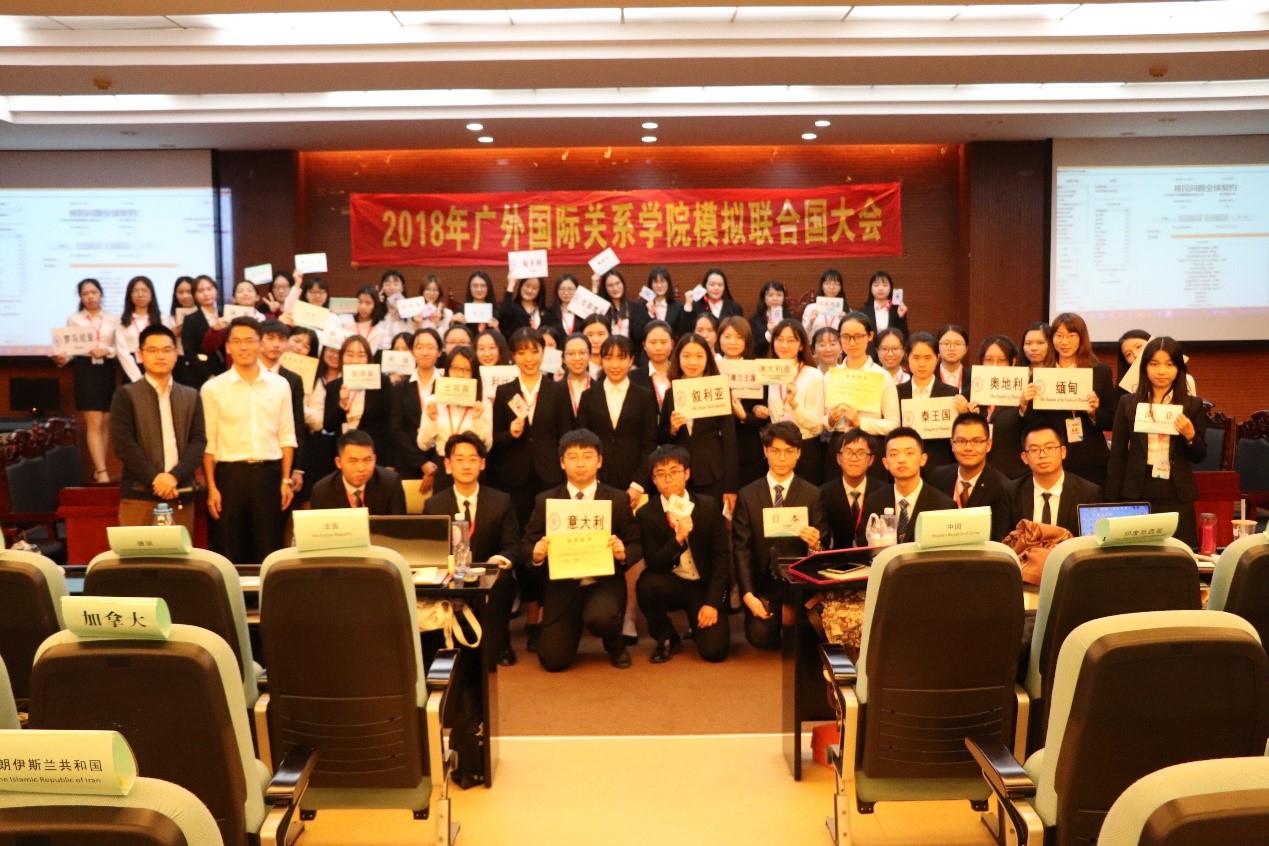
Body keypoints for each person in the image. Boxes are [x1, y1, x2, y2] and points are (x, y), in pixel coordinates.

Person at [525, 429, 643, 671]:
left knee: (602, 617)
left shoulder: (617, 499)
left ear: (599, 461)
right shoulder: (546, 500)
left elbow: (636, 544)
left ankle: (615, 644)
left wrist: (623, 553)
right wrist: (536, 555)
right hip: (563, 587)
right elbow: (526, 544)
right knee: (553, 662)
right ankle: (570, 628)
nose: (580, 464)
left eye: (588, 456)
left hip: (603, 586)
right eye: (573, 457)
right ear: (562, 462)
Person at [492, 327, 573, 652]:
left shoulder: (557, 390)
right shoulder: (505, 392)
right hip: (516, 480)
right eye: (521, 352)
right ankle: (532, 614)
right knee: (526, 547)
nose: (528, 358)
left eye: (534, 351)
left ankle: (550, 615)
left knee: (550, 545)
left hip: (550, 477)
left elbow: (567, 435)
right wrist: (509, 434)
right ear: (513, 356)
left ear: (543, 353)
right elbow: (494, 441)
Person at [200, 317, 297, 564]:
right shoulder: (213, 388)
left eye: (250, 341)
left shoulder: (280, 385)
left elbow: (287, 436)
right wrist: (212, 487)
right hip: (229, 478)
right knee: (229, 551)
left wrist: (286, 480)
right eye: (236, 341)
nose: (243, 347)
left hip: (269, 476)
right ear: (228, 347)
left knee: (269, 550)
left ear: (261, 344)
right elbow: (209, 443)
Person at [424, 432, 522, 666]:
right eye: (459, 459)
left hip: (487, 573)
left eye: (472, 459)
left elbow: (513, 546)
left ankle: (500, 642)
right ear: (448, 465)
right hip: (451, 576)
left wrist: (498, 561)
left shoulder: (501, 501)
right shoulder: (434, 505)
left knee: (504, 579)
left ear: (482, 463)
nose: (466, 465)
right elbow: (430, 552)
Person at [732, 421, 828, 650]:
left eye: (788, 451)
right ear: (765, 451)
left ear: (798, 453)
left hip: (798, 582)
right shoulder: (747, 495)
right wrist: (748, 594)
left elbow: (824, 545)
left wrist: (815, 545)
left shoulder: (813, 494)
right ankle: (781, 617)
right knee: (760, 637)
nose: (782, 458)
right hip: (764, 582)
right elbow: (742, 549)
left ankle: (793, 615)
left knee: (806, 637)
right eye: (775, 451)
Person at [1106, 337, 1206, 548]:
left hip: (1176, 491)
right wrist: (1111, 500)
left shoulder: (1192, 405)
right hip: (1137, 490)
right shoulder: (1128, 404)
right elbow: (1117, 455)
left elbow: (1200, 456)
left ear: (1179, 368)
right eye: (1154, 364)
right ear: (1145, 367)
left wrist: (1190, 436)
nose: (1162, 371)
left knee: (1180, 553)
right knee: (1137, 555)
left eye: (1169, 364)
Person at [635, 445, 731, 664]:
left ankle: (698, 624)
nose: (668, 479)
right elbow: (654, 562)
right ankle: (666, 636)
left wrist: (712, 603)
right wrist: (677, 539)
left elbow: (722, 560)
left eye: (674, 471)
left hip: (703, 585)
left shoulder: (707, 506)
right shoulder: (647, 513)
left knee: (714, 652)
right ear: (653, 479)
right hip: (672, 582)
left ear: (687, 473)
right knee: (646, 585)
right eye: (660, 474)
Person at [109, 325, 206, 530]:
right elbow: (123, 444)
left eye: (166, 350)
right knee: (137, 552)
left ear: (176, 354)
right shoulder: (125, 395)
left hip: (180, 494)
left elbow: (198, 443)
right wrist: (156, 479)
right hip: (139, 495)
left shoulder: (191, 396)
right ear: (140, 355)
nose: (160, 356)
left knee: (179, 552)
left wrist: (174, 477)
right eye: (152, 350)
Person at [658, 333, 739, 512]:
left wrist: (731, 487)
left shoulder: (719, 391)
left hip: (712, 474)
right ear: (678, 358)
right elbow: (661, 438)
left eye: (699, 356)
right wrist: (673, 429)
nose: (692, 362)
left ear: (707, 359)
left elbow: (730, 441)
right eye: (686, 356)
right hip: (679, 475)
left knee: (711, 523)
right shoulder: (671, 394)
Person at [575, 335, 658, 509]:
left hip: (635, 483)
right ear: (601, 360)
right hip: (597, 482)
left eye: (621, 358)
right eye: (608, 358)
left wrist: (638, 484)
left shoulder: (645, 397)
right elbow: (583, 443)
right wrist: (592, 480)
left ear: (631, 360)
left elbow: (649, 444)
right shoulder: (588, 396)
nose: (614, 365)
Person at [54, 278, 121, 483]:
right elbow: (69, 350)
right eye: (85, 294)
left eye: (94, 292)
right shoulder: (74, 319)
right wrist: (62, 358)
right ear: (81, 297)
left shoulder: (113, 318)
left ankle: (100, 469)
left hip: (107, 369)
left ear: (101, 294)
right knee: (94, 420)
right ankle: (102, 471)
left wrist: (107, 350)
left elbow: (121, 346)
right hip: (85, 369)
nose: (90, 297)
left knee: (106, 420)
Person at [1042, 312, 1117, 489]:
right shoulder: (1043, 373)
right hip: (1053, 456)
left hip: (1090, 458)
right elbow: (1034, 419)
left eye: (1071, 336)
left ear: (1082, 338)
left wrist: (1094, 413)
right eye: (1059, 336)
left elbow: (1112, 419)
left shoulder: (1099, 371)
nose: (1064, 342)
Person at [855, 427, 956, 547]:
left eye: (909, 453)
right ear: (885, 463)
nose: (901, 460)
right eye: (894, 454)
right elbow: (862, 547)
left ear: (923, 459)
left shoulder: (943, 506)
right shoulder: (873, 502)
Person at [929, 412, 1016, 542]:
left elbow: (1000, 540)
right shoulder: (938, 477)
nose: (968, 447)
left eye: (976, 441)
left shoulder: (1003, 488)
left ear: (988, 445)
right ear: (952, 444)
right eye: (961, 441)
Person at [417, 345, 493, 492]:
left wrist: (477, 419)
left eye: (466, 370)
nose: (460, 374)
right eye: (455, 368)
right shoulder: (434, 401)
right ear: (447, 370)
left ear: (474, 373)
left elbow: (487, 446)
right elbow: (423, 445)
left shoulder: (483, 403)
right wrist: (431, 420)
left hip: (472, 468)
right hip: (444, 467)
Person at [1009, 422, 1103, 537]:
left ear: (1063, 452)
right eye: (1034, 450)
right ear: (1024, 457)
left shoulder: (1088, 493)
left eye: (1049, 448)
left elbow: (1091, 541)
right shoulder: (1012, 492)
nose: (1042, 455)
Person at [762, 319, 825, 484]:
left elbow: (817, 426)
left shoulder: (813, 376)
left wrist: (794, 405)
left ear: (802, 345)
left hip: (805, 448)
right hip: (775, 447)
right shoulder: (769, 373)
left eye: (791, 340)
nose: (784, 345)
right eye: (779, 339)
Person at [323, 334, 400, 470]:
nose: (355, 360)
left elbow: (391, 422)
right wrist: (341, 405)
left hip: (375, 454)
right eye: (349, 355)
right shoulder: (334, 386)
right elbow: (328, 425)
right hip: (345, 455)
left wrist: (391, 461)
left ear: (368, 359)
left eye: (360, 355)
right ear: (342, 358)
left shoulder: (381, 382)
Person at [896, 331, 965, 471]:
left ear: (937, 358)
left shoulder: (950, 393)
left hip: (941, 464)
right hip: (904, 464)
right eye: (916, 357)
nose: (922, 363)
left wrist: (964, 414)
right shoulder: (896, 392)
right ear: (907, 357)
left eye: (928, 358)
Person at [258, 320, 308, 496]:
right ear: (259, 341)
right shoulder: (246, 373)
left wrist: (298, 468)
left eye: (281, 339)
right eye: (270, 338)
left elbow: (298, 425)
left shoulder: (293, 379)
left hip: (281, 459)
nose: (276, 344)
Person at [717, 316, 767, 489]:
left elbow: (764, 418)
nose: (733, 342)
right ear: (719, 338)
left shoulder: (756, 369)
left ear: (747, 341)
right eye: (727, 336)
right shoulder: (710, 368)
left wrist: (744, 416)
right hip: (717, 448)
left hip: (747, 448)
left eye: (739, 337)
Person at [309, 429, 406, 514]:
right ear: (339, 462)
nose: (361, 468)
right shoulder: (322, 491)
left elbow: (398, 527)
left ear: (374, 459)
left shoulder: (390, 483)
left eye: (367, 460)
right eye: (353, 461)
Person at [973, 334, 1028, 479]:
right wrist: (969, 417)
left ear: (1012, 362)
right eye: (989, 360)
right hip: (978, 473)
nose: (994, 366)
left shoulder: (1023, 393)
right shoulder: (971, 393)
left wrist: (1023, 410)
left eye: (1001, 360)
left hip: (1013, 474)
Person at [393, 328, 441, 487]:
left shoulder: (448, 387)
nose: (425, 352)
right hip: (408, 464)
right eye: (419, 347)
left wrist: (434, 465)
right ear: (412, 352)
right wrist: (422, 463)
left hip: (441, 463)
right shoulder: (400, 388)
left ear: (439, 352)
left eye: (430, 347)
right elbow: (397, 430)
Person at [819, 429, 875, 550]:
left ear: (871, 460)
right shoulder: (823, 494)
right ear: (838, 458)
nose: (854, 459)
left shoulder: (882, 492)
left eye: (861, 453)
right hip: (837, 559)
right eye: (848, 452)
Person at [116, 275, 168, 384]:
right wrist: (137, 377)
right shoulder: (123, 321)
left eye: (144, 290)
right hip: (131, 369)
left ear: (151, 294)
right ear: (130, 295)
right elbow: (122, 351)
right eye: (135, 291)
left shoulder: (163, 319)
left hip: (158, 366)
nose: (140, 294)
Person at [181, 274, 225, 388]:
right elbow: (189, 351)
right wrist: (208, 374)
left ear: (216, 290)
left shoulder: (225, 315)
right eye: (201, 291)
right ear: (195, 295)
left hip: (226, 371)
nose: (206, 293)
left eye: (209, 289)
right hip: (202, 375)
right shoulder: (190, 319)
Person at [628, 319, 674, 412]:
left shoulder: (681, 375)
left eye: (664, 342)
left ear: (672, 344)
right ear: (644, 345)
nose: (658, 348)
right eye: (653, 342)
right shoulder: (633, 378)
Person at [593, 269, 646, 344]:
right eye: (610, 285)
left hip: (630, 349)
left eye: (617, 283)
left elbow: (640, 334)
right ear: (605, 288)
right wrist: (595, 287)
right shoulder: (603, 308)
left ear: (623, 284)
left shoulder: (635, 307)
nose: (615, 288)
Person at [860, 270, 908, 339]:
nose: (880, 288)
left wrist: (901, 317)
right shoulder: (863, 311)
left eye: (885, 285)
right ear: (871, 289)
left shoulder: (897, 310)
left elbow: (904, 336)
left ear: (890, 288)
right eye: (876, 285)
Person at [801, 269, 848, 335]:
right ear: (822, 286)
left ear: (841, 287)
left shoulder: (846, 311)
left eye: (836, 284)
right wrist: (810, 323)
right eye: (827, 283)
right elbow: (803, 336)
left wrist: (846, 322)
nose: (831, 287)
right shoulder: (810, 308)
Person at [643, 267, 686, 336]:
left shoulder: (678, 307)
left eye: (662, 281)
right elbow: (639, 332)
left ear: (668, 284)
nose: (659, 285)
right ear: (651, 285)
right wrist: (650, 314)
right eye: (656, 282)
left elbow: (682, 332)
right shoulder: (642, 306)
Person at [749, 279, 786, 358]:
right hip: (762, 359)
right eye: (770, 295)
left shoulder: (790, 319)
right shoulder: (755, 320)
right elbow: (754, 348)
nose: (775, 298)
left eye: (779, 295)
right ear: (764, 298)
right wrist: (769, 333)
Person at [560, 333, 594, 419]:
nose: (577, 358)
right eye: (571, 353)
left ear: (590, 355)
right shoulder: (555, 391)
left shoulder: (600, 389)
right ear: (563, 358)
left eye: (582, 352)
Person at [345, 284, 388, 352]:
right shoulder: (346, 323)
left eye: (368, 303)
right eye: (360, 302)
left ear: (375, 305)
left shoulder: (379, 331)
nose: (363, 307)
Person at [936, 324, 971, 396]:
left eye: (957, 344)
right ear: (938, 347)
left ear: (966, 349)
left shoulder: (973, 377)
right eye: (946, 344)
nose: (952, 348)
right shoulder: (929, 376)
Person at [543, 273, 581, 337]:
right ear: (557, 290)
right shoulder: (549, 313)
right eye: (562, 289)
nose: (566, 293)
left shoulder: (582, 313)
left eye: (570, 289)